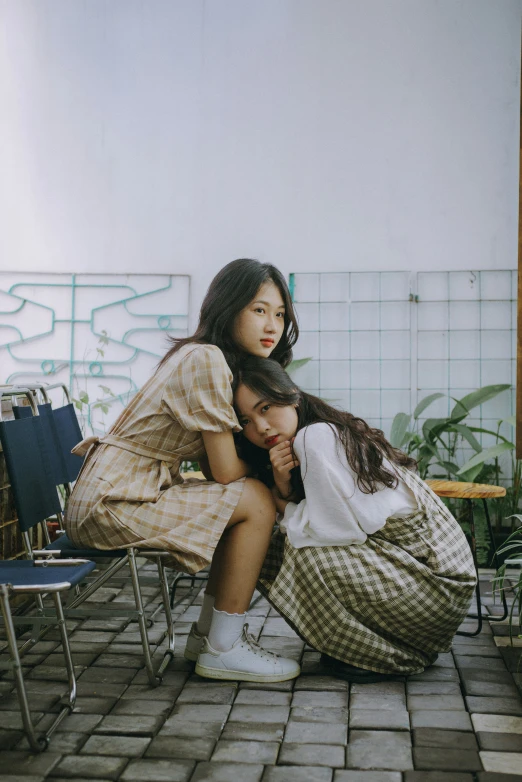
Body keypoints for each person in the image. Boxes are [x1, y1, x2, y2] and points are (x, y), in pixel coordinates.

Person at [65, 259, 301, 683]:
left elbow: (214, 470)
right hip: (114, 500)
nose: (273, 325)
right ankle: (224, 647)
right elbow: (227, 473)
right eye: (259, 309)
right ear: (228, 308)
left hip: (118, 490)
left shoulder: (208, 360)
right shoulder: (206, 359)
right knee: (257, 501)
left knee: (248, 500)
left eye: (280, 313)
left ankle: (209, 637)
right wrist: (271, 464)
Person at [233, 356, 477, 682]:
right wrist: (282, 484)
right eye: (246, 421)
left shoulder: (315, 436)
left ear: (291, 393)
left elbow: (335, 532)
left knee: (286, 546)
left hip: (435, 585)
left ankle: (393, 655)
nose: (260, 427)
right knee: (289, 539)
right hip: (441, 586)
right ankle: (391, 645)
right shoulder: (320, 432)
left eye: (265, 408)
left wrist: (279, 496)